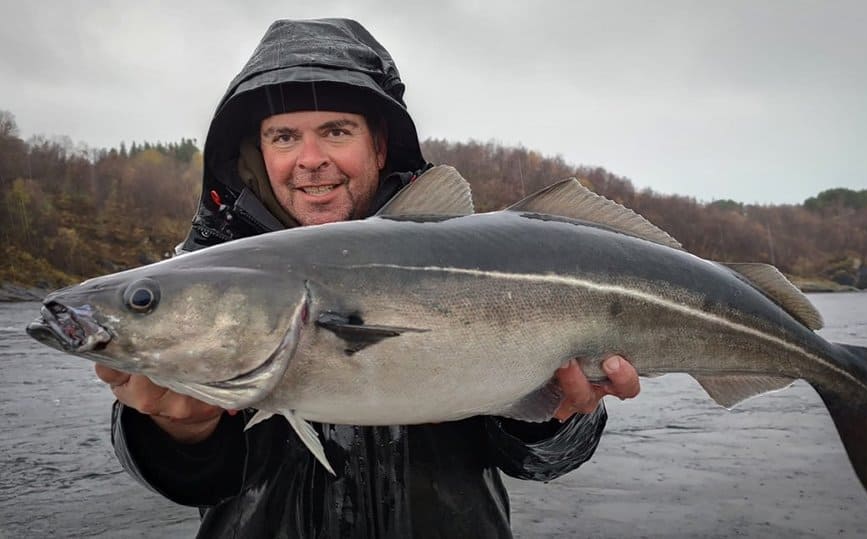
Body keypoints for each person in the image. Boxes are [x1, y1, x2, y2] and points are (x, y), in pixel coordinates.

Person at [94, 18, 640, 538]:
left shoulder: (482, 259)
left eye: (335, 131)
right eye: (284, 137)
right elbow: (182, 483)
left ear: (379, 146)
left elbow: (537, 461)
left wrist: (551, 418)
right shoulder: (203, 277)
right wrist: (180, 432)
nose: (309, 160)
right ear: (258, 152)